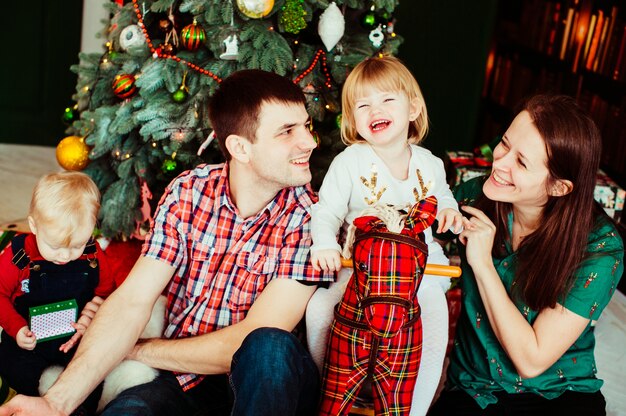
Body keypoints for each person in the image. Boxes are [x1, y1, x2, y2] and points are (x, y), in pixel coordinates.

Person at [0, 69, 333, 416]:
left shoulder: (311, 218)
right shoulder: (189, 192)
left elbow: (243, 343)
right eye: (287, 131)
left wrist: (137, 349)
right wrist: (55, 402)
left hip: (260, 384)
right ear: (239, 148)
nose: (309, 141)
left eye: (305, 125)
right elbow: (132, 300)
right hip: (177, 380)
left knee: (269, 345)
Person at [428, 94, 624, 415]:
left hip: (559, 392)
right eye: (504, 144)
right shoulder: (474, 197)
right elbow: (406, 222)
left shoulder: (600, 248)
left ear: (559, 187)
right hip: (476, 389)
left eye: (520, 162)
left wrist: (482, 266)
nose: (499, 163)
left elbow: (532, 360)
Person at [306, 55, 463, 415]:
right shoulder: (351, 161)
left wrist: (449, 211)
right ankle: (325, 388)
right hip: (360, 267)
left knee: (435, 314)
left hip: (417, 272)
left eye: (387, 99)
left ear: (414, 108)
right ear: (352, 120)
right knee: (318, 311)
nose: (375, 109)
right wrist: (326, 243)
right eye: (363, 105)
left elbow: (443, 197)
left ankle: (415, 408)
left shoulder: (430, 163)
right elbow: (325, 210)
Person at [0, 172, 114, 406]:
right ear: (33, 225)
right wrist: (17, 329)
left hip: (72, 335)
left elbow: (106, 291)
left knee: (94, 367)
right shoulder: (18, 256)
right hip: (29, 336)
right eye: (55, 246)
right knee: (12, 367)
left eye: (76, 246)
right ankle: (28, 403)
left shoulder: (93, 254)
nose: (65, 256)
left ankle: (82, 408)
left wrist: (91, 313)